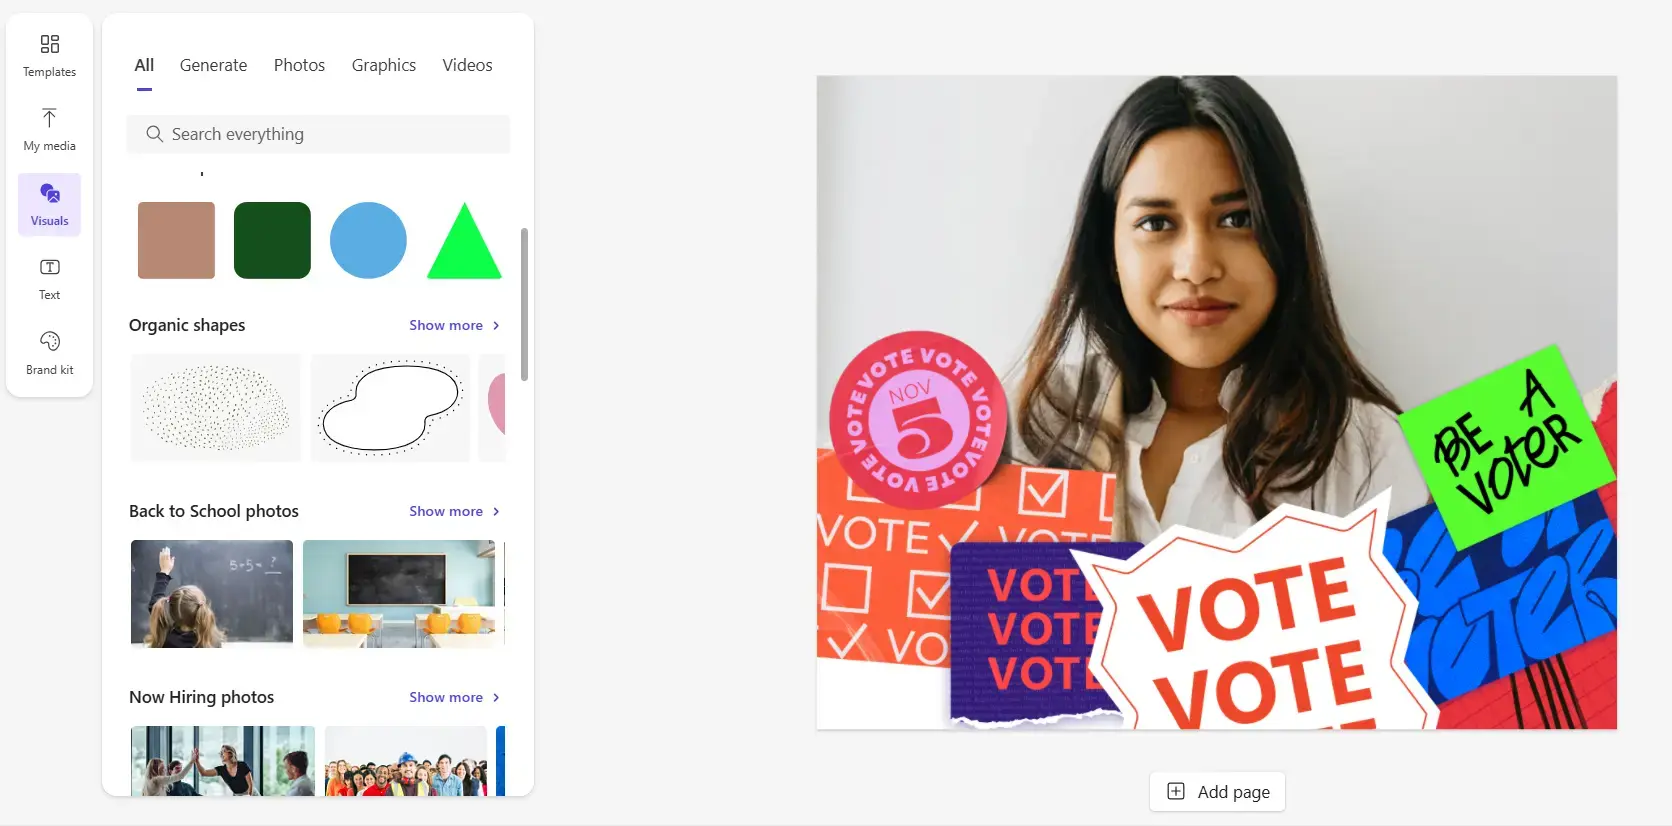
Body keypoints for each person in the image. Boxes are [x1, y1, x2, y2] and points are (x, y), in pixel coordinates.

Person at [1006, 75, 1428, 543]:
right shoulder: (1026, 425)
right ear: (1109, 251)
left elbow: (1470, 605)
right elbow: (949, 608)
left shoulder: (1367, 447)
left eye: (1237, 219)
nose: (1197, 266)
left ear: (1284, 236)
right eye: (1156, 223)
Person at [144, 547, 228, 648]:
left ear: (170, 610)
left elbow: (155, 606)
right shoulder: (211, 642)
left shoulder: (164, 638)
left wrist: (164, 571)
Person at [192, 744, 257, 795]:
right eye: (220, 752)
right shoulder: (221, 770)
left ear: (230, 753)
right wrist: (197, 761)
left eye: (223, 751)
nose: (221, 754)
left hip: (251, 794)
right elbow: (204, 773)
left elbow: (250, 785)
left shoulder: (242, 765)